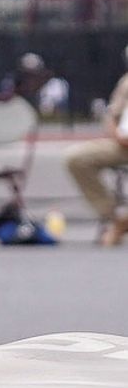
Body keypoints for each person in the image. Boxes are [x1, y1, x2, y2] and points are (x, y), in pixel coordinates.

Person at [65, 47, 128, 247]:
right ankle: (116, 217)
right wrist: (117, 135)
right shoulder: (126, 83)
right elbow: (112, 116)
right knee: (76, 158)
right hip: (123, 145)